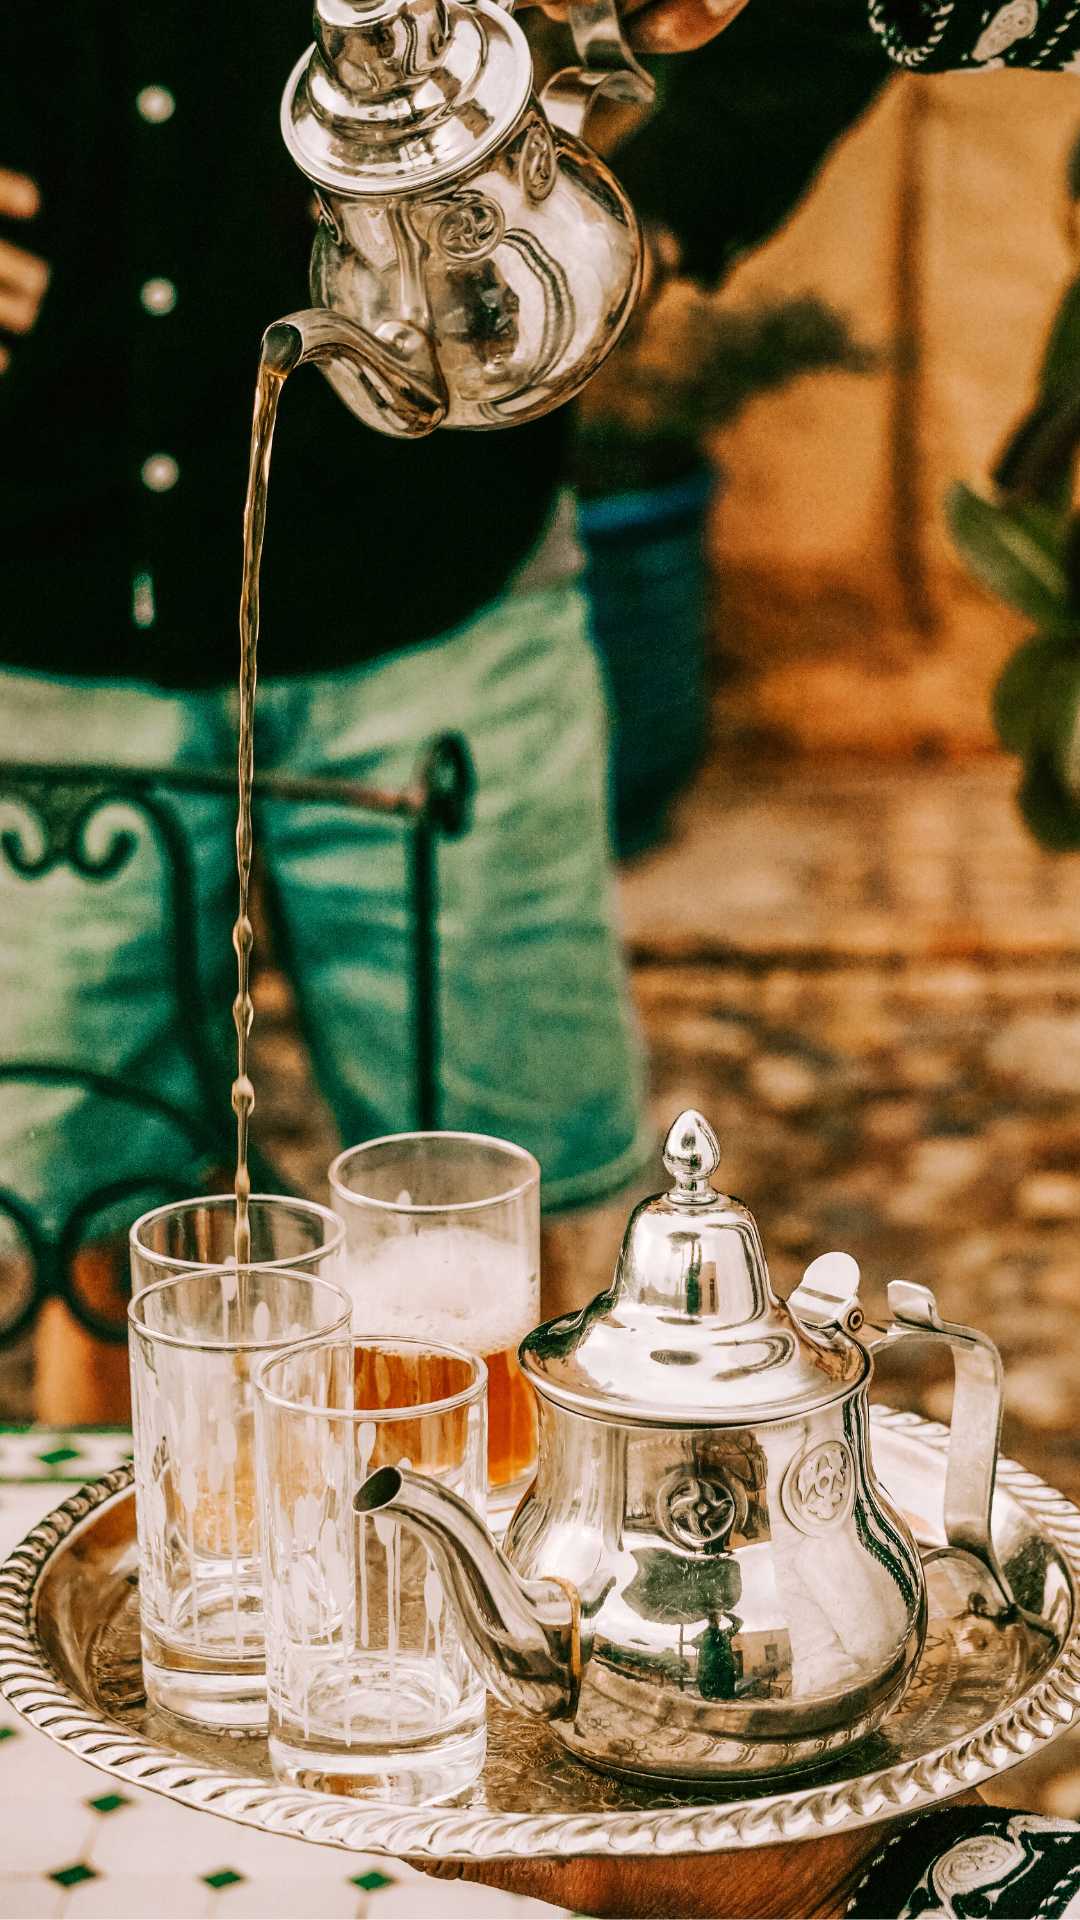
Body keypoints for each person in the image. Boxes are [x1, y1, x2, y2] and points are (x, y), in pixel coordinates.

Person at [0, 4, 654, 1417]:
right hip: (41, 615)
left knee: (519, 1235)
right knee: (84, 1246)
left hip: (436, 602)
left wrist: (671, 213)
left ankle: (507, 1617)